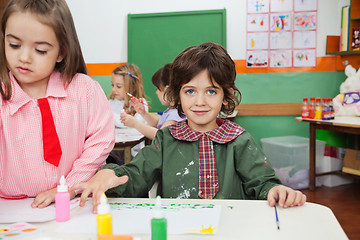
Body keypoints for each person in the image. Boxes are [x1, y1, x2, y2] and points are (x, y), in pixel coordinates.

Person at [72, 42, 306, 212]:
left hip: (230, 228)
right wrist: (110, 174)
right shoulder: (167, 138)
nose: (200, 101)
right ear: (178, 96)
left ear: (225, 96)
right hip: (178, 229)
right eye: (190, 91)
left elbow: (263, 183)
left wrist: (275, 191)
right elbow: (136, 175)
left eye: (211, 91)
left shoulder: (239, 139)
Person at [0, 0, 114, 208]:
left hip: (74, 202)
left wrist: (67, 188)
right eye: (14, 45)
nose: (24, 57)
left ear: (61, 52)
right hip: (8, 207)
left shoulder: (84, 89)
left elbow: (101, 140)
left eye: (40, 50)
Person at [120, 63, 185, 140]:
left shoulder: (176, 114)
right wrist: (143, 113)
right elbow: (158, 124)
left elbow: (159, 136)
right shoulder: (172, 110)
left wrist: (135, 124)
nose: (156, 92)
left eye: (158, 89)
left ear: (167, 90)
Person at [107, 64, 149, 161]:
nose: (114, 89)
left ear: (133, 87)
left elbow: (132, 124)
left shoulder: (140, 104)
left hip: (134, 156)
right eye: (112, 85)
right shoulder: (111, 102)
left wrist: (109, 115)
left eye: (118, 86)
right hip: (114, 153)